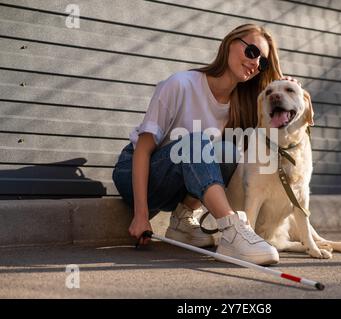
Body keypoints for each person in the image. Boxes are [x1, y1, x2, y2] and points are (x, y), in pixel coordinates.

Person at [112, 24, 288, 265]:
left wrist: (286, 88)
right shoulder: (180, 84)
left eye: (263, 63)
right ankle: (232, 231)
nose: (256, 63)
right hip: (137, 172)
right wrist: (141, 215)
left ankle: (182, 221)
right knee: (197, 140)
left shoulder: (242, 106)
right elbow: (142, 149)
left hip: (178, 183)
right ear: (230, 43)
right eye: (252, 52)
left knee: (228, 151)